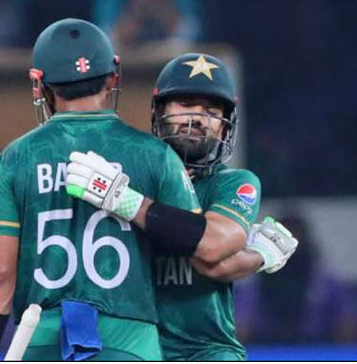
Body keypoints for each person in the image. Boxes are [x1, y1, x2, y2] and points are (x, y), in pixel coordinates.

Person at [0, 18, 200, 361]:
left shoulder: (16, 157)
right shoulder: (155, 154)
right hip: (130, 342)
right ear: (113, 77)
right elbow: (196, 240)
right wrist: (132, 203)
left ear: (39, 83)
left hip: (40, 338)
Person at [66, 53, 298, 360]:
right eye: (186, 105)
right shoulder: (123, 172)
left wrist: (122, 200)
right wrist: (260, 255)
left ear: (225, 126)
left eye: (212, 111)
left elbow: (212, 250)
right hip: (129, 349)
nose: (199, 119)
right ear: (159, 110)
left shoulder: (234, 183)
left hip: (207, 351)